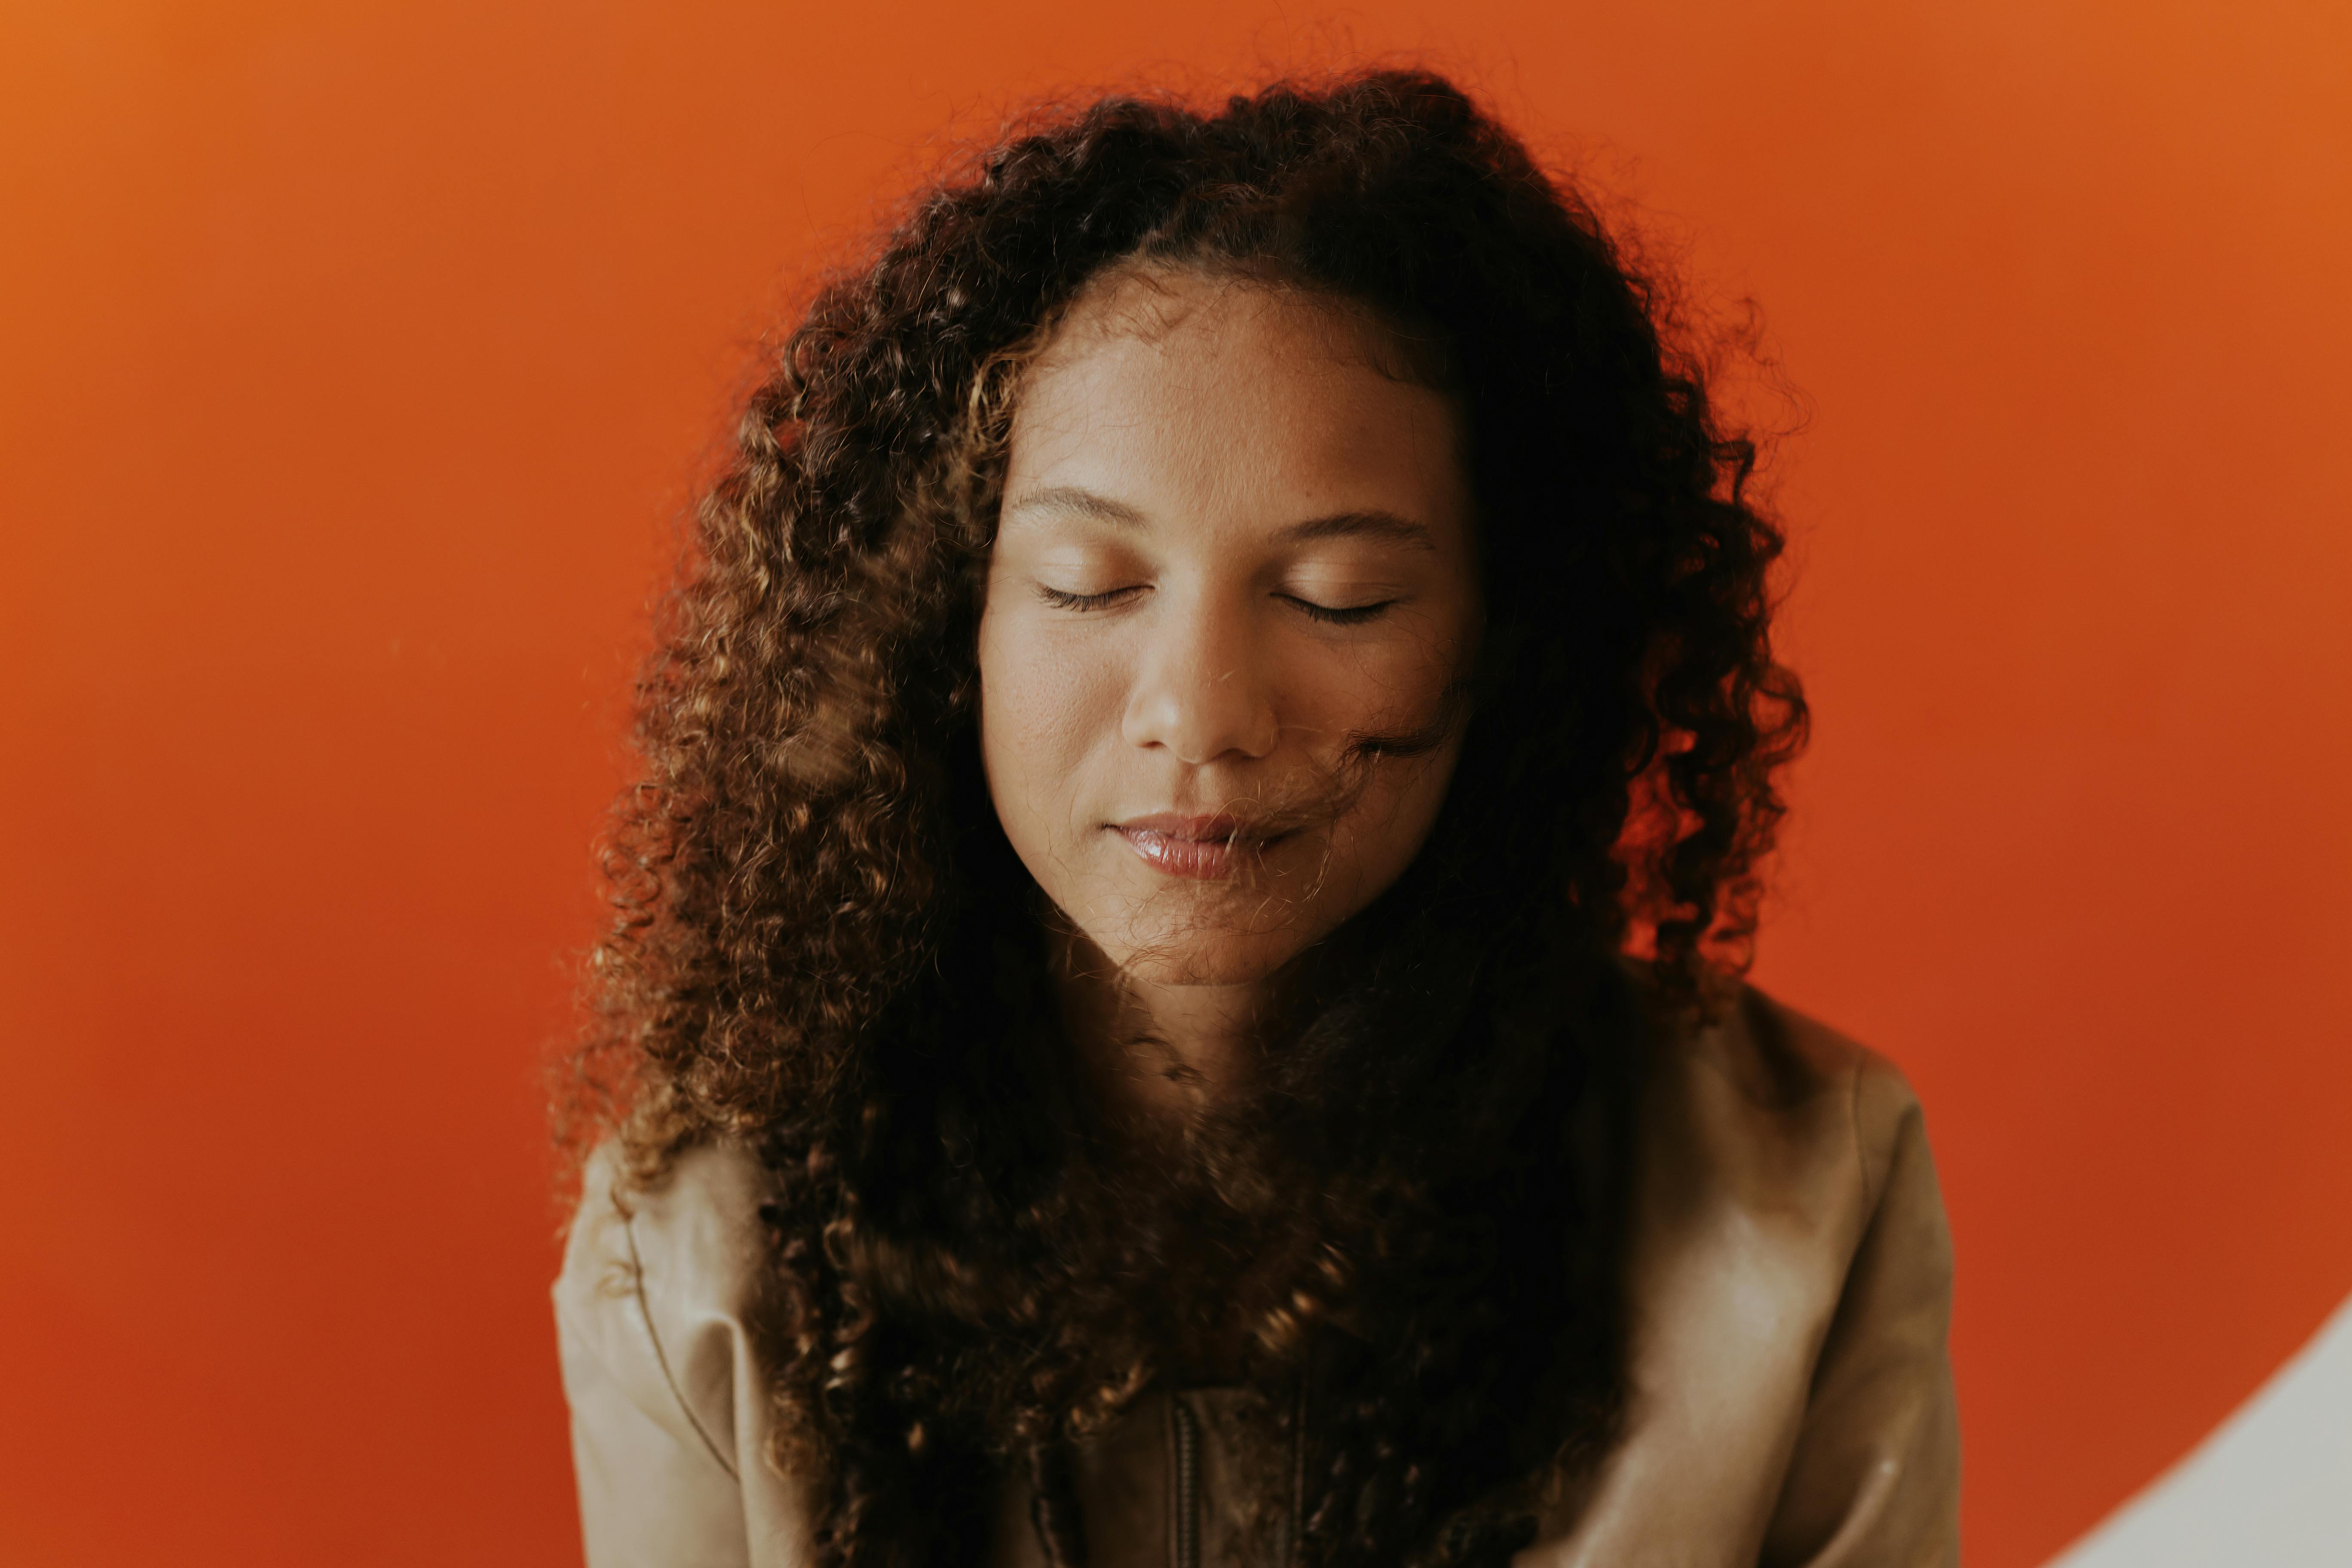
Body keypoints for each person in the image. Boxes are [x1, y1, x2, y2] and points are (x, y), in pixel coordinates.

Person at [552, 69, 1959, 1568]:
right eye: (1090, 583)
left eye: (1336, 597)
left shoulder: (1800, 1204)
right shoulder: (702, 1262)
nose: (1202, 712)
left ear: (1509, 640)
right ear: (944, 634)